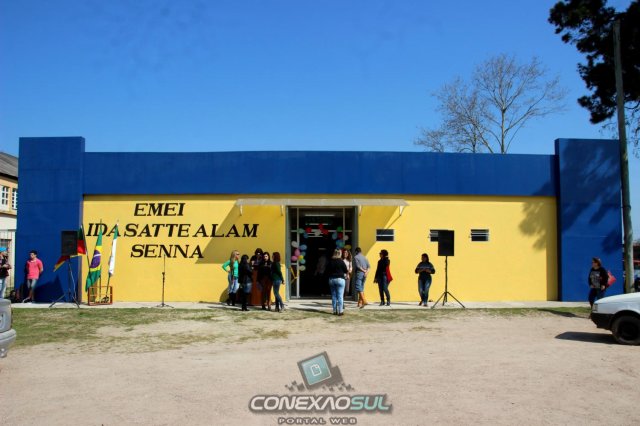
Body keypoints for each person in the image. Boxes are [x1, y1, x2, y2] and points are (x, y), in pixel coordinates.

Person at [327, 248, 348, 315]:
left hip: (332, 279)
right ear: (340, 253)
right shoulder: (341, 261)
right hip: (340, 279)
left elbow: (327, 270)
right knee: (340, 296)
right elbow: (345, 270)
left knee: (333, 296)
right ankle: (340, 311)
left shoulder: (330, 261)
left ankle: (334, 311)